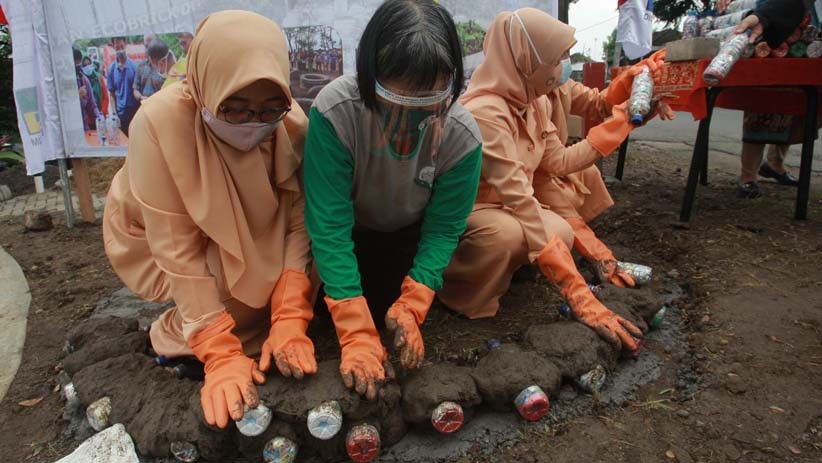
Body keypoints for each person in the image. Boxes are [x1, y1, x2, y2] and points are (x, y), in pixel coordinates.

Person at [103, 11, 311, 430]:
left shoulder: (289, 126)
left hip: (253, 231)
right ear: (205, 89)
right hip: (158, 237)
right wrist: (219, 352)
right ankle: (189, 332)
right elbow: (174, 244)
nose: (254, 124)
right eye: (235, 109)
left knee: (302, 271)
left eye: (269, 108)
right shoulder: (160, 124)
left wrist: (290, 315)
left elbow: (297, 223)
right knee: (225, 293)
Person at [438, 9, 672, 354]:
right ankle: (462, 294)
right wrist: (577, 294)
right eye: (558, 57)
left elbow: (557, 162)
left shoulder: (531, 103)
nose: (565, 64)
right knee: (509, 234)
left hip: (505, 204)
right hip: (471, 210)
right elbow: (518, 197)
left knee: (559, 230)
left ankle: (509, 274)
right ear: (526, 60)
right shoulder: (485, 112)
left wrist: (621, 125)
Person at [304, 0, 482, 399]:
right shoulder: (336, 113)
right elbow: (329, 227)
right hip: (350, 237)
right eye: (394, 107)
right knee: (320, 307)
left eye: (426, 109)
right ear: (369, 78)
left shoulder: (462, 135)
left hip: (406, 239)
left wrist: (414, 302)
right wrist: (354, 331)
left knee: (389, 302)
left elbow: (443, 229)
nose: (407, 128)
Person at [716, 0, 817, 197]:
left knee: (795, 102)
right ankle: (748, 176)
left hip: (800, 33)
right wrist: (765, 15)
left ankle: (775, 163)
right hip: (767, 28)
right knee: (762, 103)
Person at [107, 37, 140, 136]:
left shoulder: (135, 67)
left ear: (125, 45)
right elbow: (112, 94)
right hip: (120, 115)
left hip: (134, 112)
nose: (120, 49)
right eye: (117, 47)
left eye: (122, 46)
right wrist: (114, 114)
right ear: (113, 47)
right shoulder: (112, 69)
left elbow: (138, 91)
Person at [73, 47, 100, 131]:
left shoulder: (84, 80)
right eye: (75, 64)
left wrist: (100, 119)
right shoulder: (63, 83)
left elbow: (92, 105)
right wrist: (77, 96)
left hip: (85, 128)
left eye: (79, 64)